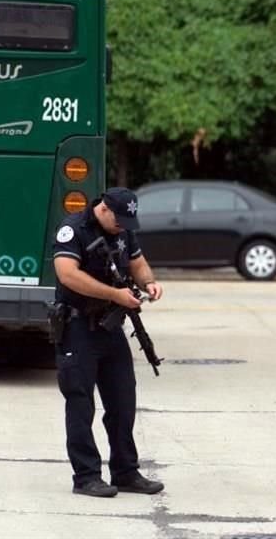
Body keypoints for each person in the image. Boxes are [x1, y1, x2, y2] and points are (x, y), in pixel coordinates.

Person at [52, 187, 165, 497]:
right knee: (80, 403)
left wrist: (149, 283)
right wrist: (115, 294)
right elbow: (67, 274)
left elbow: (137, 263)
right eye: (120, 220)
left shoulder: (123, 231)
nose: (124, 227)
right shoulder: (73, 229)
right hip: (77, 327)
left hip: (110, 327)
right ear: (103, 209)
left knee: (123, 401)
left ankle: (125, 472)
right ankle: (86, 476)